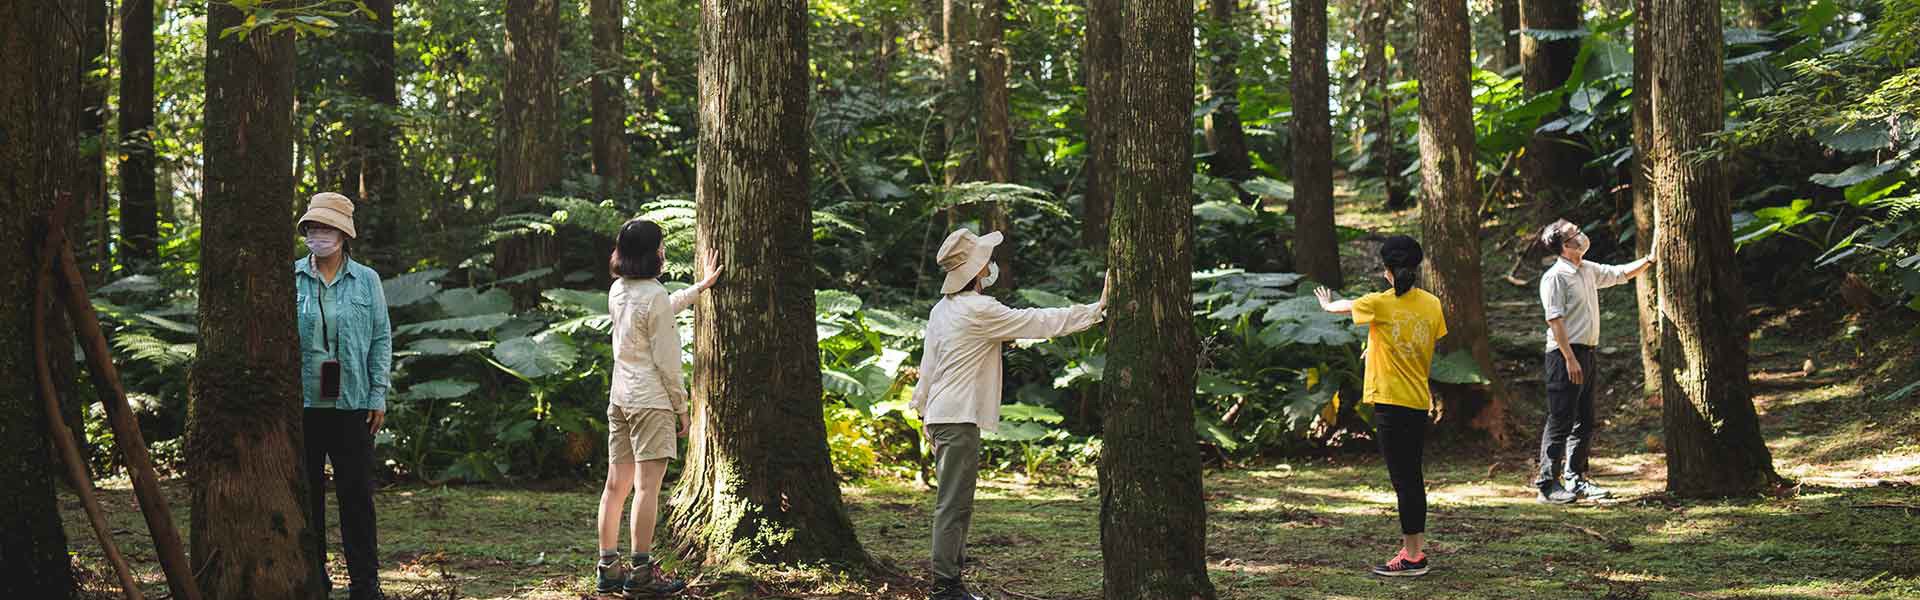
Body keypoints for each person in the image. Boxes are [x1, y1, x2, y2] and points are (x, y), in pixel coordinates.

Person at [911, 229, 1107, 600]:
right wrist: (1093, 312)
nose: (991, 265)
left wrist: (923, 411)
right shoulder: (980, 310)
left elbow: (929, 365)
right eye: (986, 259)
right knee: (954, 504)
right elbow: (1036, 321)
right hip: (956, 418)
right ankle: (945, 587)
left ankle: (951, 581)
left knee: (956, 502)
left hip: (941, 416)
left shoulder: (944, 310)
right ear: (978, 269)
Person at [594, 218, 721, 597]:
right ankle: (642, 573)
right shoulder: (653, 295)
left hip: (620, 399)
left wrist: (699, 288)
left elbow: (658, 308)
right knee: (647, 488)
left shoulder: (618, 290)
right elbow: (667, 360)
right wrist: (681, 407)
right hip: (651, 401)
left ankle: (608, 568)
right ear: (654, 253)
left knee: (615, 485)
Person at [1316, 235, 1446, 578]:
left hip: (1390, 403)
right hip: (1418, 401)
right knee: (1412, 477)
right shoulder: (1432, 304)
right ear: (1415, 267)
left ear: (1387, 270)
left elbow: (1348, 305)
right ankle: (1412, 549)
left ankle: (1413, 557)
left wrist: (1328, 306)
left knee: (1403, 480)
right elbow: (1415, 339)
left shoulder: (1379, 303)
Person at [296, 192, 393, 600]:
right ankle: (315, 581)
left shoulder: (367, 279)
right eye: (313, 228)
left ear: (343, 234)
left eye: (327, 228)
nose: (320, 235)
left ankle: (365, 586)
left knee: (356, 501)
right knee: (308, 502)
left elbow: (381, 338)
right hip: (303, 407)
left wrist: (378, 394)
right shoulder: (291, 276)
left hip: (352, 405)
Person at [1533, 219, 1657, 504]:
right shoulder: (1555, 277)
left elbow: (1618, 273)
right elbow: (1554, 319)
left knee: (1584, 420)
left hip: (1587, 353)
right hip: (1565, 355)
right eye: (1575, 233)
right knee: (1561, 420)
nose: (1582, 235)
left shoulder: (1587, 270)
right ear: (1565, 246)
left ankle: (1575, 478)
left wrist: (1649, 261)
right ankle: (1547, 484)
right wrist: (1569, 358)